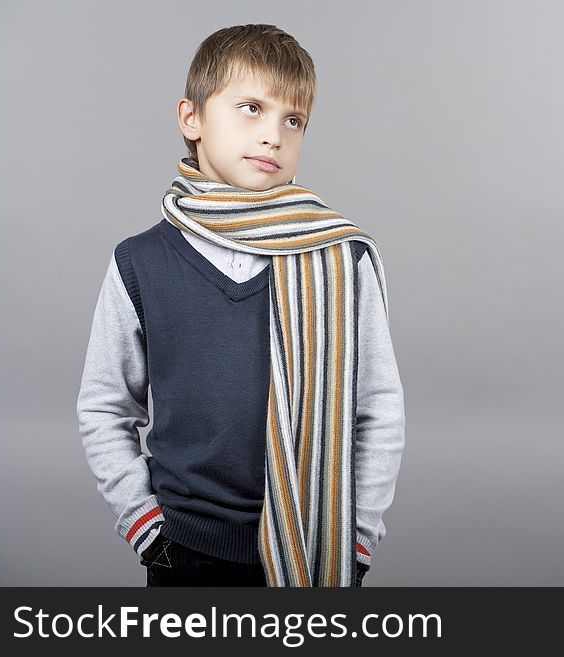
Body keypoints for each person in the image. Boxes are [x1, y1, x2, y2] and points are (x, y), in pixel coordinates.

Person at [76, 24, 405, 587]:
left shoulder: (339, 259)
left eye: (292, 120)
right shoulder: (141, 261)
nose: (274, 134)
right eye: (251, 108)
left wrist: (358, 540)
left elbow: (377, 410)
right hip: (184, 547)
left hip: (317, 545)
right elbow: (105, 408)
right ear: (192, 119)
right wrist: (147, 527)